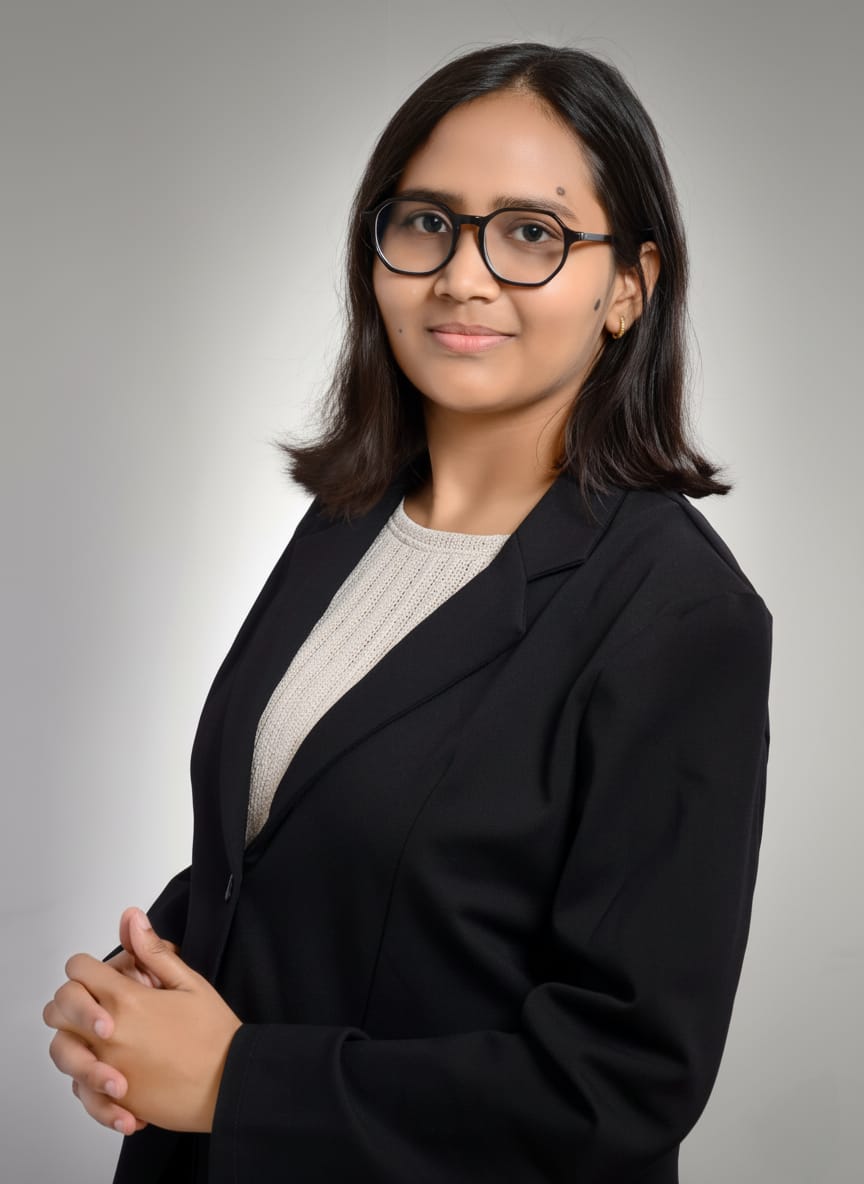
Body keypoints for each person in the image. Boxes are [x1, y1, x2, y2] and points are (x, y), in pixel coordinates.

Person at [44, 42, 772, 1184]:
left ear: (629, 286)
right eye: (428, 221)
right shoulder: (352, 516)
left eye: (531, 232)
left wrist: (238, 1079)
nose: (462, 276)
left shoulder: (681, 616)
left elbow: (620, 1082)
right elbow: (300, 848)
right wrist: (135, 1005)